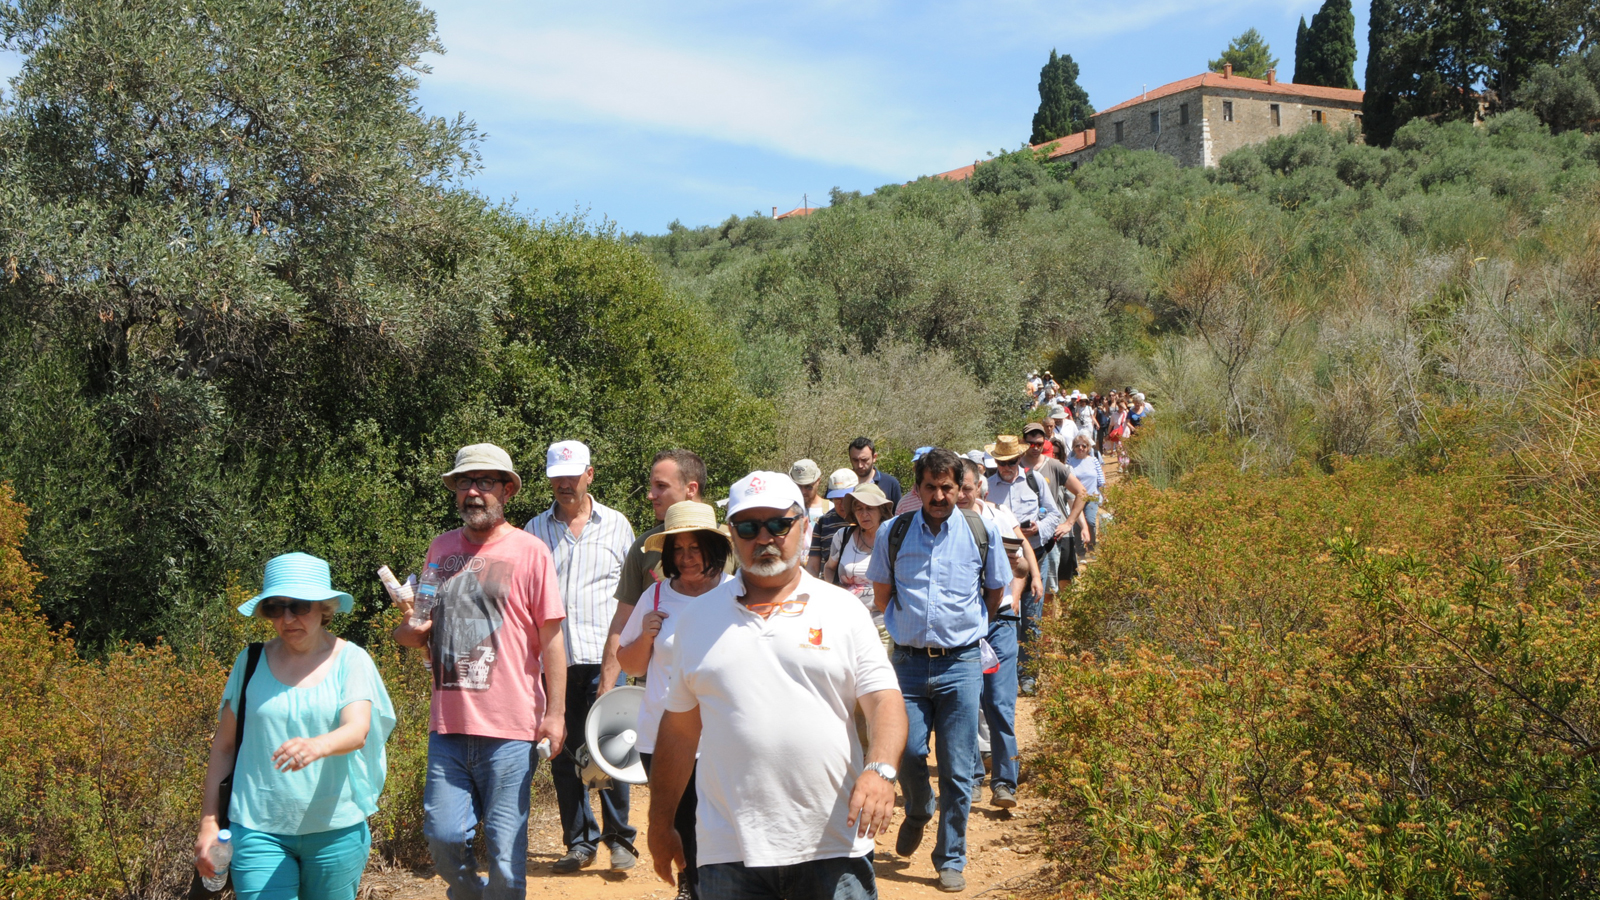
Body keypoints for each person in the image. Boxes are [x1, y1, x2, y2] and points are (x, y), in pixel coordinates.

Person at [648, 472, 908, 900]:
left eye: (778, 524)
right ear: (732, 533)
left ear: (803, 525)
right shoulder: (697, 621)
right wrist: (661, 824)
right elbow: (678, 730)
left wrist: (880, 770)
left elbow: (884, 701)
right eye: (748, 527)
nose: (763, 537)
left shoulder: (843, 610)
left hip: (832, 843)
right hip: (729, 851)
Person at [392, 443, 568, 900]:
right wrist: (408, 630)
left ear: (507, 491)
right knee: (444, 837)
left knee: (508, 859)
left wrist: (557, 713)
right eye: (465, 483)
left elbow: (552, 640)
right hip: (448, 726)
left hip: (511, 730)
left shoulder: (532, 553)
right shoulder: (441, 548)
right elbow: (419, 629)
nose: (474, 492)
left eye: (485, 482)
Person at [195, 552, 396, 900]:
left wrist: (317, 745)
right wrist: (209, 822)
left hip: (336, 829)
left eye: (300, 606)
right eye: (275, 607)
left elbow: (357, 730)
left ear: (324, 608)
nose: (288, 618)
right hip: (257, 828)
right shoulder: (251, 660)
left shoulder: (352, 660)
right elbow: (224, 746)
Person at [868, 449, 1010, 893]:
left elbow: (994, 591)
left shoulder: (978, 529)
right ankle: (918, 807)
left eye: (947, 487)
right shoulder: (894, 532)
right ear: (917, 489)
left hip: (962, 663)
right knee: (906, 752)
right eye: (930, 487)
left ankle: (950, 857)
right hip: (907, 665)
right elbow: (882, 593)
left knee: (956, 768)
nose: (939, 495)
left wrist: (961, 632)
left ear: (959, 487)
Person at [524, 440, 639, 874]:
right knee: (565, 750)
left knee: (612, 747)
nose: (564, 483)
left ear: (590, 474)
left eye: (572, 475)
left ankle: (618, 838)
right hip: (554, 662)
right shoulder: (534, 530)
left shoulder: (618, 526)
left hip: (605, 654)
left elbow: (630, 595)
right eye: (557, 475)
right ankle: (579, 841)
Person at [617, 501, 734, 900]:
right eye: (678, 550)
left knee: (720, 828)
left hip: (723, 735)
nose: (686, 559)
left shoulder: (737, 592)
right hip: (663, 737)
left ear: (713, 549)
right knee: (682, 826)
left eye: (695, 548)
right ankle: (692, 887)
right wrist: (646, 635)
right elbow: (629, 662)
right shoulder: (654, 597)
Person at [955, 460, 1038, 810]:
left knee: (999, 705)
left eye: (966, 487)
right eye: (955, 486)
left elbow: (1018, 563)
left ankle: (1005, 782)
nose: (960, 494)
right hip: (961, 626)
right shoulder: (939, 526)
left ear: (979, 488)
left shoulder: (997, 519)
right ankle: (972, 778)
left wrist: (1016, 595)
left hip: (999, 622)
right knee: (967, 707)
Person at [599, 449, 708, 697]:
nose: (651, 495)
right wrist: (606, 690)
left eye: (661, 486)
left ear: (691, 488)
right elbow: (623, 622)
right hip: (655, 688)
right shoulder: (644, 547)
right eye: (677, 549)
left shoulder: (732, 546)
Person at [823, 482, 893, 648]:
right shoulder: (843, 536)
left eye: (870, 508)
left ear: (881, 511)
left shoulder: (892, 539)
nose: (864, 514)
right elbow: (828, 567)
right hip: (846, 624)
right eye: (859, 508)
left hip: (883, 625)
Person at [806, 468, 858, 575]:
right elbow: (813, 565)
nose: (842, 504)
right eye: (837, 499)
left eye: (846, 498)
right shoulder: (823, 523)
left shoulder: (867, 520)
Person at [1066, 434, 1105, 554]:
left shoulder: (1094, 461)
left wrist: (1104, 494)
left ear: (1088, 447)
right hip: (1076, 498)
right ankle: (1080, 551)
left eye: (1083, 445)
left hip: (1092, 496)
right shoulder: (1070, 462)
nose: (1081, 448)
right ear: (1073, 447)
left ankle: (1092, 546)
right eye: (1077, 445)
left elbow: (1101, 480)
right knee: (1077, 525)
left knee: (1091, 521)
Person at [847, 437, 903, 511]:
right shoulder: (842, 483)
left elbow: (898, 515)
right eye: (855, 460)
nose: (860, 465)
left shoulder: (890, 484)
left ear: (874, 457)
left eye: (864, 460)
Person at [791, 458, 830, 544]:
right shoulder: (786, 510)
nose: (803, 492)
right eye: (798, 487)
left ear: (818, 481)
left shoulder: (830, 509)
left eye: (808, 487)